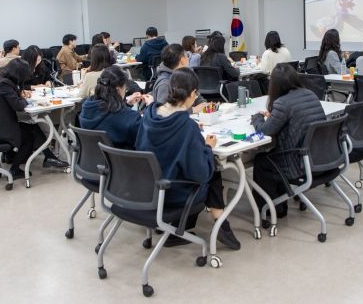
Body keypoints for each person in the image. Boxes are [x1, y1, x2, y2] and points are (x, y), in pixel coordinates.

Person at [135, 68, 240, 250]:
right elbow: (200, 173)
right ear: (192, 94)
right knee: (212, 168)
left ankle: (179, 228)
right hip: (173, 192)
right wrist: (207, 147)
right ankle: (221, 225)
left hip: (148, 187)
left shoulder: (149, 116)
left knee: (199, 163)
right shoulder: (185, 126)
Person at [250, 63, 326, 218]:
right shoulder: (310, 94)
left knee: (262, 161)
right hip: (320, 157)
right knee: (273, 155)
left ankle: (272, 209)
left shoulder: (282, 103)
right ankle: (280, 203)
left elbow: (264, 131)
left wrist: (257, 118)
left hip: (299, 163)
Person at [0, 59, 67, 178]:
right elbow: (19, 106)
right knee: (29, 136)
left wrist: (19, 94)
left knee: (33, 127)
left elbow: (9, 99)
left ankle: (49, 157)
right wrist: (23, 99)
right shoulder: (5, 84)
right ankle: (15, 169)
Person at [79, 66, 152, 148]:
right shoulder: (128, 117)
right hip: (124, 155)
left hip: (95, 155)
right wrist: (151, 107)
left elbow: (112, 114)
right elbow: (149, 132)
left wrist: (127, 104)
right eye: (125, 89)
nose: (125, 92)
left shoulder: (87, 107)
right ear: (118, 89)